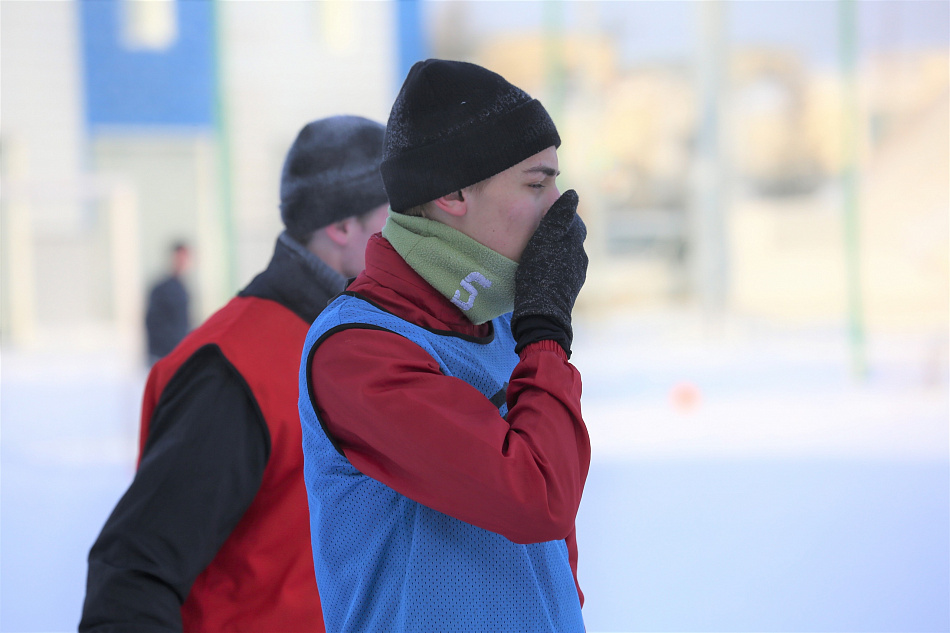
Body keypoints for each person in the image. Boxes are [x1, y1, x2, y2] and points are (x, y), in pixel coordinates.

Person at [299, 59, 590, 632]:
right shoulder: (360, 351)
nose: (560, 205)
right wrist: (548, 334)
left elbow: (553, 555)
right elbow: (536, 497)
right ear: (453, 193)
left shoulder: (502, 329)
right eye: (536, 183)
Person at [80, 115, 390, 633]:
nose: (414, 235)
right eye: (396, 214)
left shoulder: (364, 343)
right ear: (341, 227)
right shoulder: (235, 370)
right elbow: (134, 575)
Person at [145, 241, 192, 365]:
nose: (182, 262)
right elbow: (153, 323)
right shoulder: (161, 289)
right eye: (179, 257)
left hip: (179, 353)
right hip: (165, 355)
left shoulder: (183, 287)